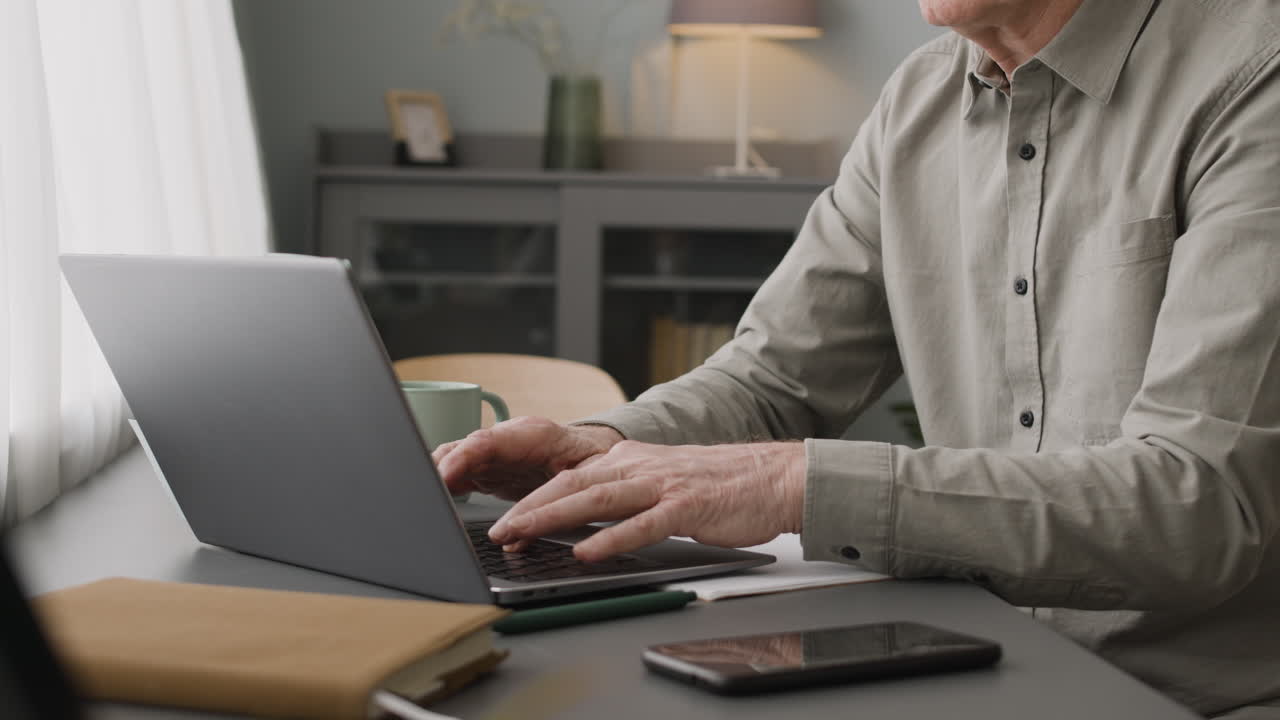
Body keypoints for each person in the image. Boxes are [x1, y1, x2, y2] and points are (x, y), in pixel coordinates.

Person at [434, 0, 1280, 716]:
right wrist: (606, 445)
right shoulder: (917, 99)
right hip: (977, 665)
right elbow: (773, 379)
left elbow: (1199, 503)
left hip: (1191, 696)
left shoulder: (1253, 76)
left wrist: (794, 484)